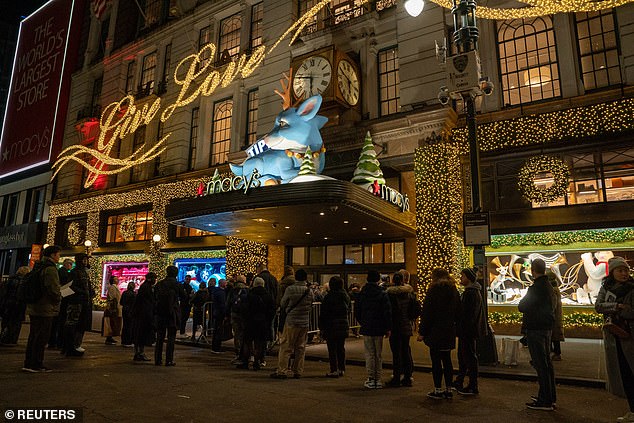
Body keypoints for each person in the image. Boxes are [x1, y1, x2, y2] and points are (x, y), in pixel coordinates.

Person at [595, 256, 634, 423]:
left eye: (626, 270)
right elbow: (598, 306)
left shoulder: (632, 289)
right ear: (612, 272)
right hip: (614, 337)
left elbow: (631, 312)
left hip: (630, 336)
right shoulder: (606, 287)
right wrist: (617, 307)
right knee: (624, 373)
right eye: (620, 270)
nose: (624, 273)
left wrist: (622, 311)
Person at [518, 258, 556, 411]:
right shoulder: (548, 286)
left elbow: (522, 306)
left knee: (541, 364)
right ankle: (549, 396)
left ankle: (544, 400)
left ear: (533, 271)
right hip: (546, 328)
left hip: (536, 329)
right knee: (546, 363)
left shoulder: (535, 288)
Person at [417, 268, 461, 400]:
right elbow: (459, 311)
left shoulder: (433, 290)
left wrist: (422, 332)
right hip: (448, 330)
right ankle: (448, 389)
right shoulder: (454, 290)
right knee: (447, 360)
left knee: (436, 361)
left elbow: (427, 313)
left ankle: (438, 389)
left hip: (435, 331)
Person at [22, 245, 62, 372]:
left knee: (34, 335)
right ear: (52, 255)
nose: (59, 257)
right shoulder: (50, 269)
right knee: (41, 337)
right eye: (58, 254)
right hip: (44, 307)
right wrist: (59, 297)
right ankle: (36, 364)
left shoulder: (38, 266)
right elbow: (53, 289)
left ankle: (29, 362)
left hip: (35, 306)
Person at [271, 269, 314, 379]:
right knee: (300, 347)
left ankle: (282, 370)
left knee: (286, 347)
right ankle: (298, 370)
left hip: (291, 321)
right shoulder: (309, 291)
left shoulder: (290, 289)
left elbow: (283, 302)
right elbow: (311, 305)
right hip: (304, 322)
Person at [355, 270, 392, 389]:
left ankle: (371, 377)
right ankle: (378, 378)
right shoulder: (382, 293)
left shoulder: (362, 293)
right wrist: (387, 327)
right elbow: (387, 312)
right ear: (378, 280)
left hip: (367, 326)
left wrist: (363, 321)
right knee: (378, 354)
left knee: (370, 353)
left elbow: (357, 311)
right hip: (379, 326)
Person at [453, 268, 487, 395]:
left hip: (467, 331)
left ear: (468, 277)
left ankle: (473, 385)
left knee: (469, 356)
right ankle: (460, 380)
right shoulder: (472, 291)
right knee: (463, 356)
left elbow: (467, 315)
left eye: (462, 276)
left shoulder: (470, 293)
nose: (461, 278)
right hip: (467, 330)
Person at [386, 272, 417, 387]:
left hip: (395, 326)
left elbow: (388, 312)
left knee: (396, 353)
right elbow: (415, 309)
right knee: (406, 351)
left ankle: (397, 377)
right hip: (406, 325)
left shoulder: (390, 295)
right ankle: (408, 377)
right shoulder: (409, 293)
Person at [240, 277, 276, 370]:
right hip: (262, 323)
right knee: (259, 344)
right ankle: (257, 362)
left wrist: (245, 319)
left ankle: (246, 362)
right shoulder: (268, 296)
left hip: (250, 322)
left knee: (247, 342)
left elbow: (244, 309)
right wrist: (267, 320)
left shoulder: (249, 295)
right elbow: (272, 311)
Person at [319, 276, 350, 378]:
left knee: (332, 349)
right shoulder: (345, 296)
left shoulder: (329, 297)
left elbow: (324, 313)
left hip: (331, 325)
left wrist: (321, 327)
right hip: (343, 324)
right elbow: (348, 310)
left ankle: (334, 369)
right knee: (341, 348)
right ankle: (342, 368)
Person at [154, 266, 186, 366]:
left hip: (161, 312)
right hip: (172, 312)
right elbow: (184, 296)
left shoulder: (160, 284)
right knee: (171, 337)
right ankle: (169, 360)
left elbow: (155, 296)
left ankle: (158, 359)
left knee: (160, 337)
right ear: (176, 274)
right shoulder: (177, 284)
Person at [62, 253, 92, 356]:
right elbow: (68, 287)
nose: (85, 262)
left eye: (86, 260)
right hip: (76, 302)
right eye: (83, 260)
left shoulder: (84, 273)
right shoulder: (75, 272)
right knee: (72, 323)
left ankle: (75, 345)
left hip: (83, 302)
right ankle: (69, 346)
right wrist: (82, 292)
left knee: (80, 324)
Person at [0, 266, 29, 345]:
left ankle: (3, 337)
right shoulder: (23, 282)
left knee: (6, 321)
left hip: (7, 304)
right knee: (15, 323)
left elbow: (3, 293)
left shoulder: (9, 280)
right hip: (18, 305)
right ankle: (12, 339)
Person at [49, 258, 73, 349]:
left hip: (61, 299)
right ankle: (57, 342)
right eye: (70, 264)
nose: (70, 266)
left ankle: (53, 341)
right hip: (62, 300)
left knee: (56, 323)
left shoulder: (61, 271)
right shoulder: (63, 272)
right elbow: (65, 285)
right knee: (59, 322)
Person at [132, 272, 156, 362]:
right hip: (143, 315)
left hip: (141, 314)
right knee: (141, 334)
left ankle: (138, 353)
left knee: (139, 334)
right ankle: (140, 353)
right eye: (154, 278)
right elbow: (148, 301)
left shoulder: (145, 287)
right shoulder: (147, 287)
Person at [226, 275, 248, 363]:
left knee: (236, 334)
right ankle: (245, 354)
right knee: (244, 334)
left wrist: (227, 314)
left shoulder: (233, 290)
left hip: (234, 314)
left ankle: (238, 353)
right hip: (244, 315)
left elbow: (228, 303)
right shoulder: (247, 290)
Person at [548, 272, 565, 361]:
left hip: (553, 317)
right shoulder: (556, 288)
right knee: (554, 336)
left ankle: (556, 353)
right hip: (556, 316)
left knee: (553, 336)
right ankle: (554, 352)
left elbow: (552, 304)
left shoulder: (552, 290)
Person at [210, 278, 227, 353]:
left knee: (216, 330)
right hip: (220, 313)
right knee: (218, 330)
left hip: (216, 312)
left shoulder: (216, 291)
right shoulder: (221, 293)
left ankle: (215, 347)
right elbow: (222, 304)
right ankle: (217, 347)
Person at [104, 276, 122, 345]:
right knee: (112, 322)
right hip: (113, 308)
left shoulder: (114, 287)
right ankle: (109, 337)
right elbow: (112, 298)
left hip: (115, 307)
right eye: (116, 279)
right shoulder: (112, 287)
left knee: (113, 322)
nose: (118, 280)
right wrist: (113, 308)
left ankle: (110, 337)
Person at [120, 281, 137, 347]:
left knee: (125, 326)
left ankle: (124, 340)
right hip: (130, 311)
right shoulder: (133, 294)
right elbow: (135, 304)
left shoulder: (124, 293)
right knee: (130, 326)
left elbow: (121, 302)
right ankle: (128, 341)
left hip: (124, 310)